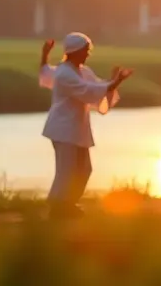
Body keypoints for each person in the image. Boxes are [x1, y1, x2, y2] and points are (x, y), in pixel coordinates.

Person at [37, 33, 132, 219]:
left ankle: (67, 204)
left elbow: (95, 85)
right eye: (85, 51)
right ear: (75, 52)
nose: (88, 54)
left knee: (84, 169)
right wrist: (115, 83)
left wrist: (111, 82)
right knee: (66, 171)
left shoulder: (82, 71)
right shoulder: (65, 74)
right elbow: (88, 91)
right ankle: (57, 208)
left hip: (76, 129)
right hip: (63, 128)